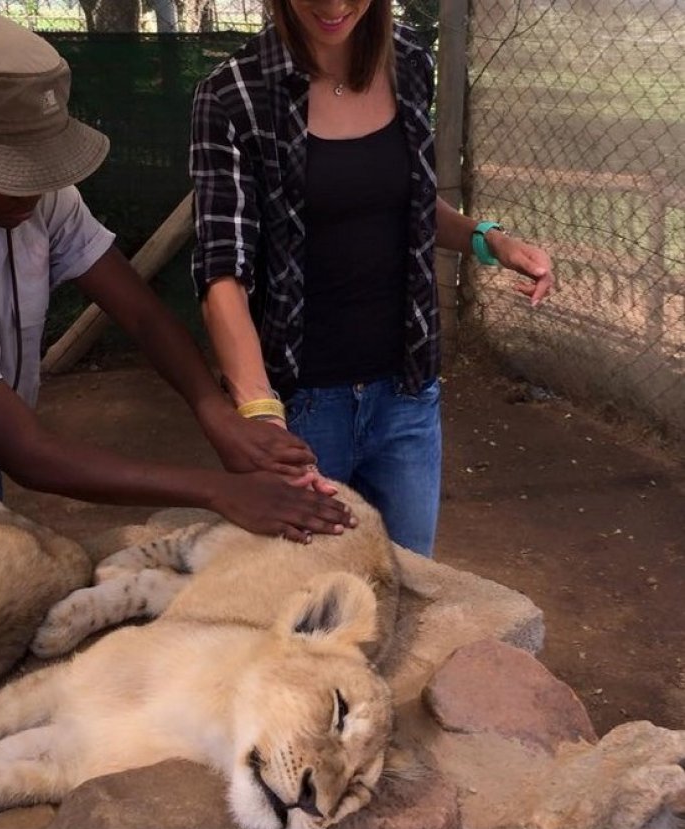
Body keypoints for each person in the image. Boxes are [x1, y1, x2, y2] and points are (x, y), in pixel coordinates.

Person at [0, 8, 356, 544]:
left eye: (42, 166)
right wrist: (217, 490)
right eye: (10, 172)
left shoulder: (39, 201)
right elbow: (31, 454)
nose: (32, 188)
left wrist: (216, 412)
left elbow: (140, 313)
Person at [189, 0, 554, 556]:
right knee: (305, 602)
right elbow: (223, 272)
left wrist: (490, 240)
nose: (333, 6)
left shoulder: (408, 62)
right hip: (302, 407)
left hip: (407, 395)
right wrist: (260, 416)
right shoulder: (233, 94)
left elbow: (405, 204)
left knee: (406, 583)